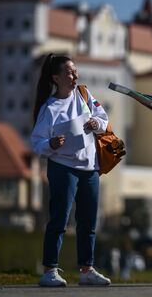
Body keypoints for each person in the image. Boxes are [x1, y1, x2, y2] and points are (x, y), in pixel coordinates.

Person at [31, 53, 111, 287]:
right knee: (59, 220)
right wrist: (51, 144)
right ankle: (49, 271)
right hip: (63, 167)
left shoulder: (84, 95)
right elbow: (37, 143)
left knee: (88, 222)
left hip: (90, 168)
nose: (74, 75)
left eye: (75, 71)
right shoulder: (49, 108)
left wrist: (97, 124)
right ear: (56, 78)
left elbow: (103, 118)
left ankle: (87, 270)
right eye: (69, 72)